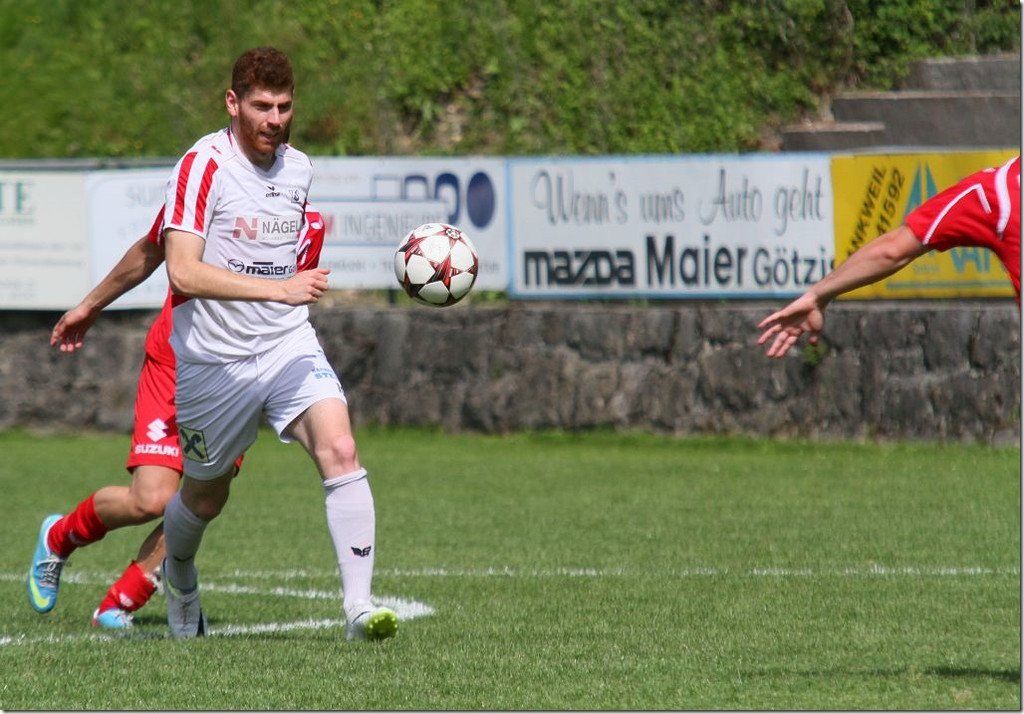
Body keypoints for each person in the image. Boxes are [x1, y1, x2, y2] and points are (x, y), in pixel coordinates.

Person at [159, 46, 397, 641]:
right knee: (205, 496)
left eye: (284, 107)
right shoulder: (202, 166)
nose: (274, 119)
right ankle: (179, 575)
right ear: (232, 103)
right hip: (214, 361)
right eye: (261, 106)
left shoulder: (299, 170)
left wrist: (287, 291)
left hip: (287, 344)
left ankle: (359, 610)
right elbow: (182, 272)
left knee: (340, 447)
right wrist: (278, 287)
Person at [27, 203, 325, 630]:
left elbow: (286, 304)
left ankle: (119, 603)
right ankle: (59, 537)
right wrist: (91, 306)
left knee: (201, 500)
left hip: (235, 375)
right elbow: (149, 251)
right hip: (176, 362)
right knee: (150, 499)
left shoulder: (306, 222)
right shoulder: (206, 183)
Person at [758, 155, 1020, 357]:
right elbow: (891, 252)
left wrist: (818, 294)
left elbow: (893, 251)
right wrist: (818, 295)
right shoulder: (996, 194)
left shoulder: (997, 193)